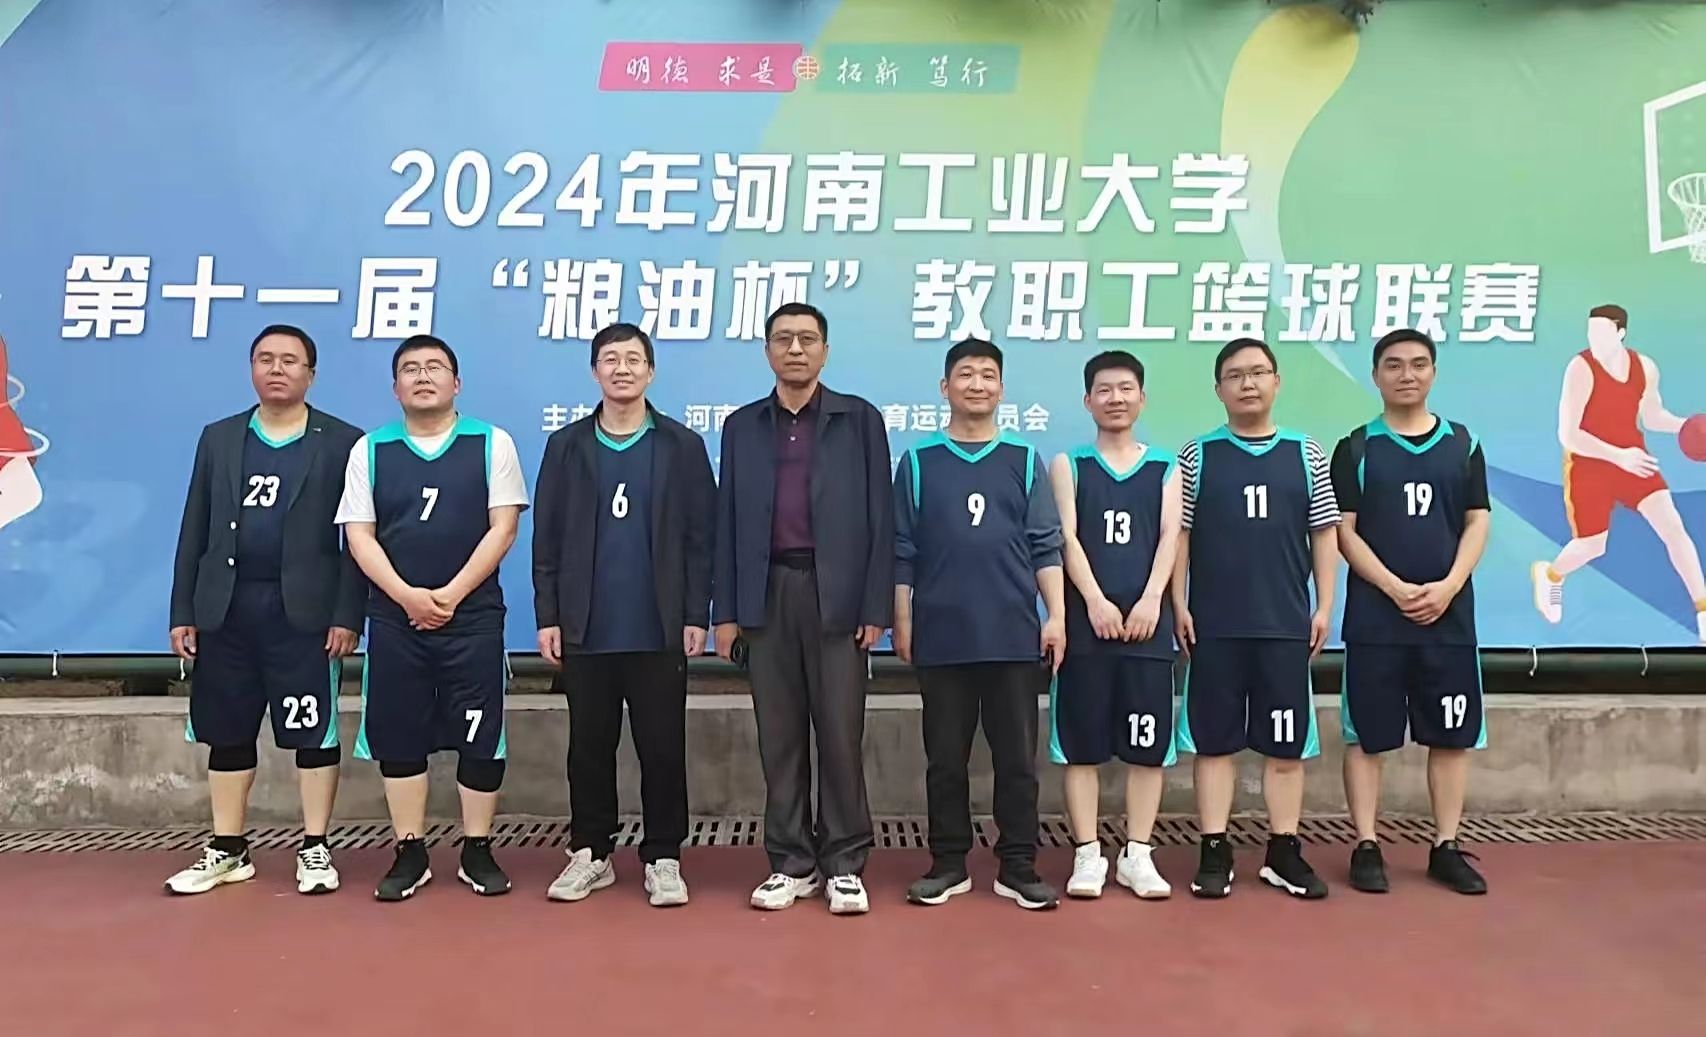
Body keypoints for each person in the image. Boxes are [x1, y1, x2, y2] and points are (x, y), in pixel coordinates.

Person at [164, 325, 363, 896]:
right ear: (251, 368)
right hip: (227, 609)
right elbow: (195, 527)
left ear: (311, 374)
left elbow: (357, 541)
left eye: (290, 360)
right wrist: (184, 609)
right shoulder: (220, 438)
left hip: (304, 614)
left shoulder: (343, 442)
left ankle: (315, 846)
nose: (277, 369)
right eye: (265, 359)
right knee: (227, 730)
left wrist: (347, 615)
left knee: (312, 731)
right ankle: (228, 847)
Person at [713, 302, 894, 915]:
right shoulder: (742, 426)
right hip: (767, 595)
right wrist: (726, 613)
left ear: (825, 351)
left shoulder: (859, 420)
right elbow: (727, 521)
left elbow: (880, 516)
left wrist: (875, 605)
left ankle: (844, 862)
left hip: (836, 595)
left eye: (808, 339)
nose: (796, 349)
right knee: (780, 735)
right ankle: (791, 862)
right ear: (767, 351)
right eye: (784, 339)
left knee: (840, 734)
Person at [335, 334, 529, 902]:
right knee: (400, 735)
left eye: (435, 367)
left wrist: (449, 595)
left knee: (480, 735)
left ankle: (477, 847)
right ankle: (410, 849)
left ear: (456, 383)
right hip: (395, 620)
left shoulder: (491, 442)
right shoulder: (370, 450)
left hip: (473, 619)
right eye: (411, 369)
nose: (423, 376)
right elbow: (359, 536)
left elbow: (504, 528)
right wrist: (407, 598)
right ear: (395, 386)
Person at [532, 322, 715, 907]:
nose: (622, 369)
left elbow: (700, 538)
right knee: (588, 747)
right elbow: (546, 539)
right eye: (610, 359)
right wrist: (549, 615)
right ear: (595, 372)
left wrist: (697, 612)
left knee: (662, 748)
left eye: (634, 359)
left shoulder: (681, 445)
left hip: (658, 628)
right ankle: (591, 852)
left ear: (651, 372)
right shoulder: (567, 447)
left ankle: (663, 856)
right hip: (586, 628)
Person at [895, 337, 1065, 911]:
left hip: (1011, 634)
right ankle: (948, 863)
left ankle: (1018, 864)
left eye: (988, 375)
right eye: (965, 374)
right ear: (945, 388)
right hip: (942, 635)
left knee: (1016, 760)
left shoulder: (1023, 459)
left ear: (1002, 389)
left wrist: (1056, 616)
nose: (977, 384)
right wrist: (903, 619)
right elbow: (902, 548)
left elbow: (1044, 544)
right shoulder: (919, 461)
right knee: (945, 759)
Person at [1172, 338, 1339, 900]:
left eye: (1258, 372)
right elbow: (1180, 535)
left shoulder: (1306, 453)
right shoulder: (1197, 456)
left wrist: (1324, 605)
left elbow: (1324, 532)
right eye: (1235, 375)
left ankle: (1283, 851)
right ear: (1218, 389)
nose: (1248, 383)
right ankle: (1214, 849)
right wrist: (1179, 603)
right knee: (1214, 745)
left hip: (1284, 625)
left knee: (1286, 746)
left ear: (1276, 381)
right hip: (1214, 627)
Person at [1334, 329, 1490, 895]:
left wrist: (1449, 585)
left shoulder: (1463, 444)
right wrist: (1394, 587)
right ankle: (1366, 844)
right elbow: (1343, 531)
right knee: (1367, 736)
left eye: (1419, 364)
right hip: (1376, 622)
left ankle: (1446, 845)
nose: (1407, 374)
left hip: (1449, 618)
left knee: (1451, 735)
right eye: (1394, 365)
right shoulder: (1356, 448)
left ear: (1434, 373)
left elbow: (1477, 520)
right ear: (1376, 375)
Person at [1048, 351, 1180, 900]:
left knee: (1147, 746)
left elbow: (1170, 537)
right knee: (1082, 746)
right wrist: (1096, 602)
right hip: (1087, 629)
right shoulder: (1069, 464)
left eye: (1126, 388)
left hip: (1149, 629)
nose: (1116, 398)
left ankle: (1138, 853)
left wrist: (1151, 600)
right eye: (1104, 390)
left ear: (1142, 398)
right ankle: (1087, 853)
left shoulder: (1166, 466)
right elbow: (1066, 537)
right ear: (1087, 400)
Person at [1532, 304, 1706, 643]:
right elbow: (1568, 434)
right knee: (1592, 546)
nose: (1593, 337)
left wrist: (1686, 426)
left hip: (1634, 459)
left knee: (1673, 528)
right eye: (1590, 331)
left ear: (1620, 332)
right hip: (1589, 463)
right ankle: (1550, 575)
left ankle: (1702, 610)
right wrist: (1617, 456)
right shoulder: (1581, 368)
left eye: (1601, 331)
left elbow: (1652, 416)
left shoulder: (1645, 367)